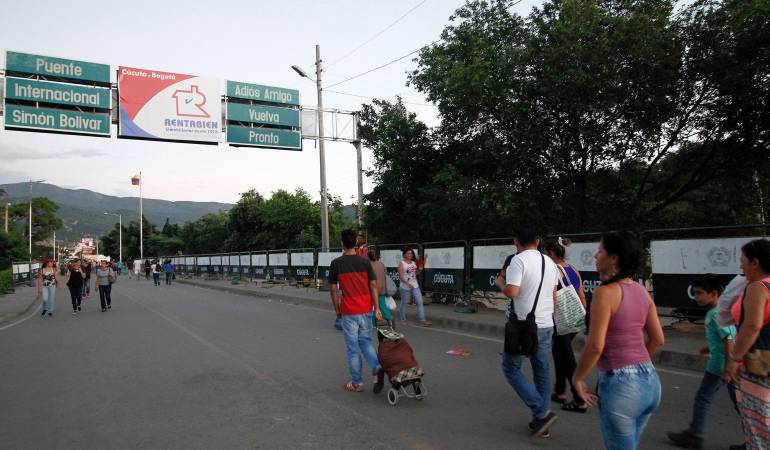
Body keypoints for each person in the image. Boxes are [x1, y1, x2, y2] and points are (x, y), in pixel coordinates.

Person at [572, 231, 665, 450]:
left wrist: (577, 379)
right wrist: (635, 363)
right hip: (650, 383)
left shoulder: (605, 294)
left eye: (600, 251)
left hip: (622, 387)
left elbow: (596, 346)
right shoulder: (641, 291)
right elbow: (658, 339)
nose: (596, 256)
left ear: (614, 258)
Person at [668, 274, 740, 450]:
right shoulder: (715, 312)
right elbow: (723, 338)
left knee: (703, 398)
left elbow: (729, 340)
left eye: (700, 293)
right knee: (740, 403)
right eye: (695, 293)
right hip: (726, 364)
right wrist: (708, 348)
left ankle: (695, 436)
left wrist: (727, 369)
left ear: (714, 293)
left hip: (720, 366)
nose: (697, 297)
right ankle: (757, 436)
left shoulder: (718, 314)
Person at [501, 225, 561, 437]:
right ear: (537, 241)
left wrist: (502, 285)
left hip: (523, 326)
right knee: (542, 372)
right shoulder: (550, 263)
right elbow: (553, 295)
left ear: (516, 242)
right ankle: (540, 423)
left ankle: (541, 411)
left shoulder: (518, 260)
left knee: (510, 367)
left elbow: (513, 291)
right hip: (546, 324)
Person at [725, 239, 770, 450]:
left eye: (743, 260)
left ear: (755, 262)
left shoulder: (758, 288)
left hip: (758, 365)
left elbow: (752, 326)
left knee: (758, 426)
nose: (741, 265)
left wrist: (735, 358)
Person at [328, 229, 384, 393]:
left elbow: (333, 289)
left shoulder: (337, 263)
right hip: (366, 308)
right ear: (356, 243)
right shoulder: (365, 262)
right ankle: (376, 367)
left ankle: (357, 382)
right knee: (366, 341)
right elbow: (373, 285)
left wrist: (337, 309)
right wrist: (377, 308)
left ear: (342, 244)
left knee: (353, 348)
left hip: (349, 311)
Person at [544, 238, 588, 413]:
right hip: (574, 318)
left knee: (567, 357)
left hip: (560, 319)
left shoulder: (553, 270)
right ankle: (559, 390)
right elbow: (581, 294)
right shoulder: (573, 270)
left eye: (546, 253)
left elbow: (553, 296)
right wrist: (581, 314)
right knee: (559, 352)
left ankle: (579, 398)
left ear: (552, 254)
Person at [397, 248, 431, 327]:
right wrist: (407, 283)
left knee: (420, 302)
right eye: (408, 253)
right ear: (404, 254)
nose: (410, 255)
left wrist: (420, 269)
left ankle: (423, 320)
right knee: (404, 303)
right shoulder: (401, 263)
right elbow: (401, 277)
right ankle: (402, 319)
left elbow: (416, 273)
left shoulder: (413, 263)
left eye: (411, 253)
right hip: (405, 287)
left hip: (415, 285)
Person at [368, 246, 393, 326]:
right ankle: (390, 319)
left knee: (371, 307)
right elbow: (386, 276)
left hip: (372, 290)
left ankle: (373, 324)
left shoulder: (368, 265)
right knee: (382, 306)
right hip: (381, 289)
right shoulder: (381, 264)